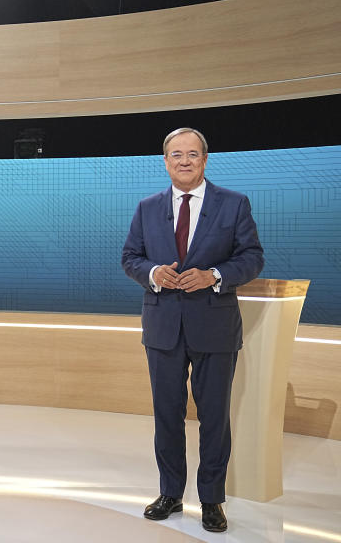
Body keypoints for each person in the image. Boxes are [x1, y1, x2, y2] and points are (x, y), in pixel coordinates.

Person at [122, 128, 263, 533]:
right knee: (167, 415)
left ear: (205, 159)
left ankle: (212, 500)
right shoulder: (148, 207)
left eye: (193, 154)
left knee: (214, 417)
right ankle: (170, 493)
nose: (184, 161)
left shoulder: (234, 204)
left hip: (214, 326)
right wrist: (152, 273)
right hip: (163, 325)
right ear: (165, 161)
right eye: (176, 154)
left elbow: (252, 257)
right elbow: (130, 256)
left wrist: (215, 275)